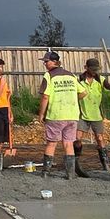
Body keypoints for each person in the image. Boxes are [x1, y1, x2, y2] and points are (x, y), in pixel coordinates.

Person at [36, 50, 82, 179]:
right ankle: (70, 174)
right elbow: (83, 93)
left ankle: (46, 171)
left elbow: (45, 97)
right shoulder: (71, 75)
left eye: (46, 61)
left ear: (54, 62)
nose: (45, 64)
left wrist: (41, 114)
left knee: (52, 143)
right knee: (68, 144)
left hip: (55, 115)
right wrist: (71, 98)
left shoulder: (49, 76)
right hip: (72, 115)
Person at [78, 57, 110, 173]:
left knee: (100, 139)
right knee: (77, 139)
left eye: (96, 69)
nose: (95, 71)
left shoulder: (101, 80)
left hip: (96, 115)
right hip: (82, 115)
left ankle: (105, 164)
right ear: (86, 68)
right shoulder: (79, 80)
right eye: (92, 69)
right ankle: (76, 162)